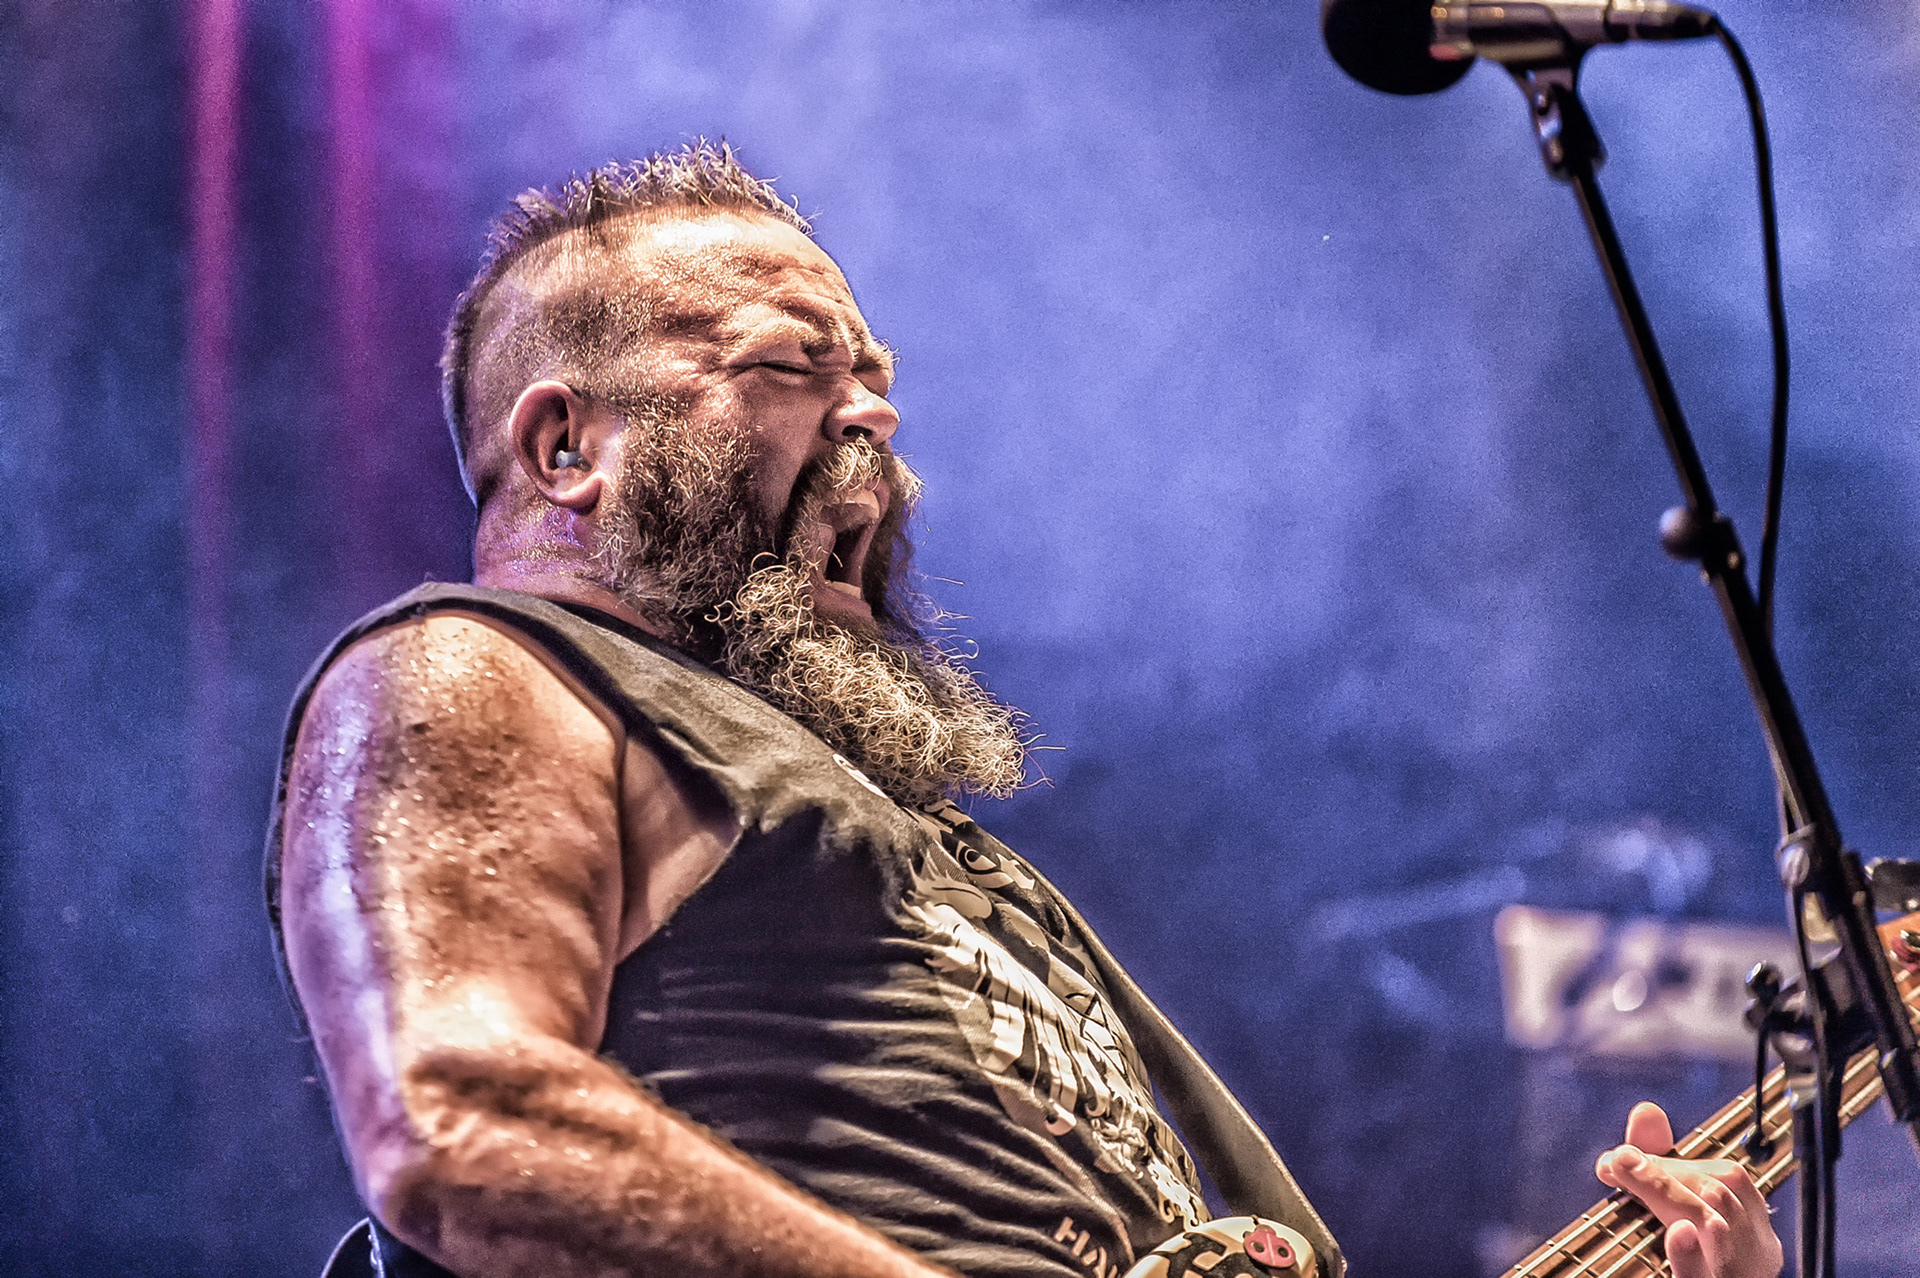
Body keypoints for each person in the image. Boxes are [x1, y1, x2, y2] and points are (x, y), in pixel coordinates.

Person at [269, 144, 1784, 1278]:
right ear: (565, 449)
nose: (874, 415)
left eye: (876, 377)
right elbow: (467, 1124)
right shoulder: (480, 671)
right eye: (792, 366)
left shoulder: (934, 852)